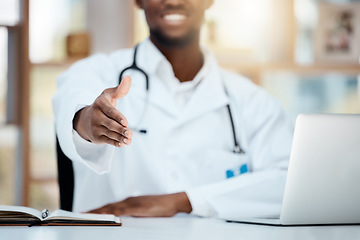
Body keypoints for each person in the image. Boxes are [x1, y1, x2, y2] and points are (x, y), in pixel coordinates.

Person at [52, 0, 293, 218]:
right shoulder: (96, 72)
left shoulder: (252, 100)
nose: (174, 1)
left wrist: (184, 201)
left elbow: (291, 183)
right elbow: (74, 104)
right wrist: (88, 123)